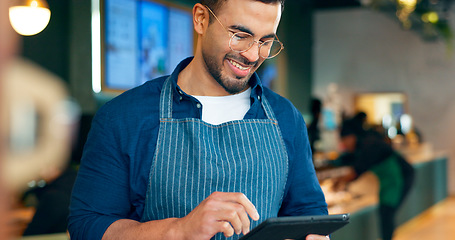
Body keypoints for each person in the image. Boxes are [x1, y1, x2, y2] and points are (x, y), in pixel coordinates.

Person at [68, 0, 328, 239]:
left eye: (266, 41)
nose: (252, 55)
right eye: (240, 36)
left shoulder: (285, 118)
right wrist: (179, 230)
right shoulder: (124, 117)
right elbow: (87, 226)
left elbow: (308, 213)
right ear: (201, 19)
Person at [333, 114, 415, 240]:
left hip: (399, 178)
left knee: (386, 212)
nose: (343, 144)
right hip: (391, 181)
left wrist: (339, 182)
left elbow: (356, 171)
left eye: (344, 140)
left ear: (351, 136)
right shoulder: (367, 141)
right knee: (386, 213)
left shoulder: (368, 145)